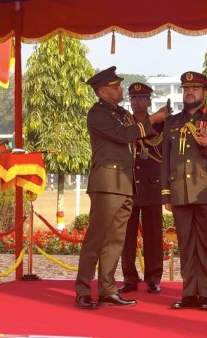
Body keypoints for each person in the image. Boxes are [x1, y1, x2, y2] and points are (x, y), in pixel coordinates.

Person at [75, 67, 170, 310]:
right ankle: (83, 290)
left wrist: (155, 121)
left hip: (125, 184)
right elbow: (124, 135)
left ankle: (107, 290)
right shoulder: (97, 114)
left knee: (115, 241)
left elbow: (139, 137)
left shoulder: (121, 113)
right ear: (102, 91)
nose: (120, 90)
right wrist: (153, 119)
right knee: (96, 239)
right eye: (115, 87)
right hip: (107, 183)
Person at [161, 71, 207, 311]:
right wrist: (166, 194)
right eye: (185, 89)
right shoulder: (171, 122)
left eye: (194, 89)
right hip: (179, 190)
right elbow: (165, 160)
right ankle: (188, 293)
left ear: (205, 92)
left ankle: (205, 294)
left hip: (206, 191)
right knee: (186, 245)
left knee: (205, 244)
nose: (189, 92)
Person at [118, 82, 164, 295]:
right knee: (126, 236)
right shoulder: (123, 122)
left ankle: (153, 278)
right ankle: (129, 277)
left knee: (153, 235)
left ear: (149, 101)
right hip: (128, 184)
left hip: (152, 184)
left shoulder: (161, 124)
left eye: (142, 98)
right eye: (134, 98)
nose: (138, 102)